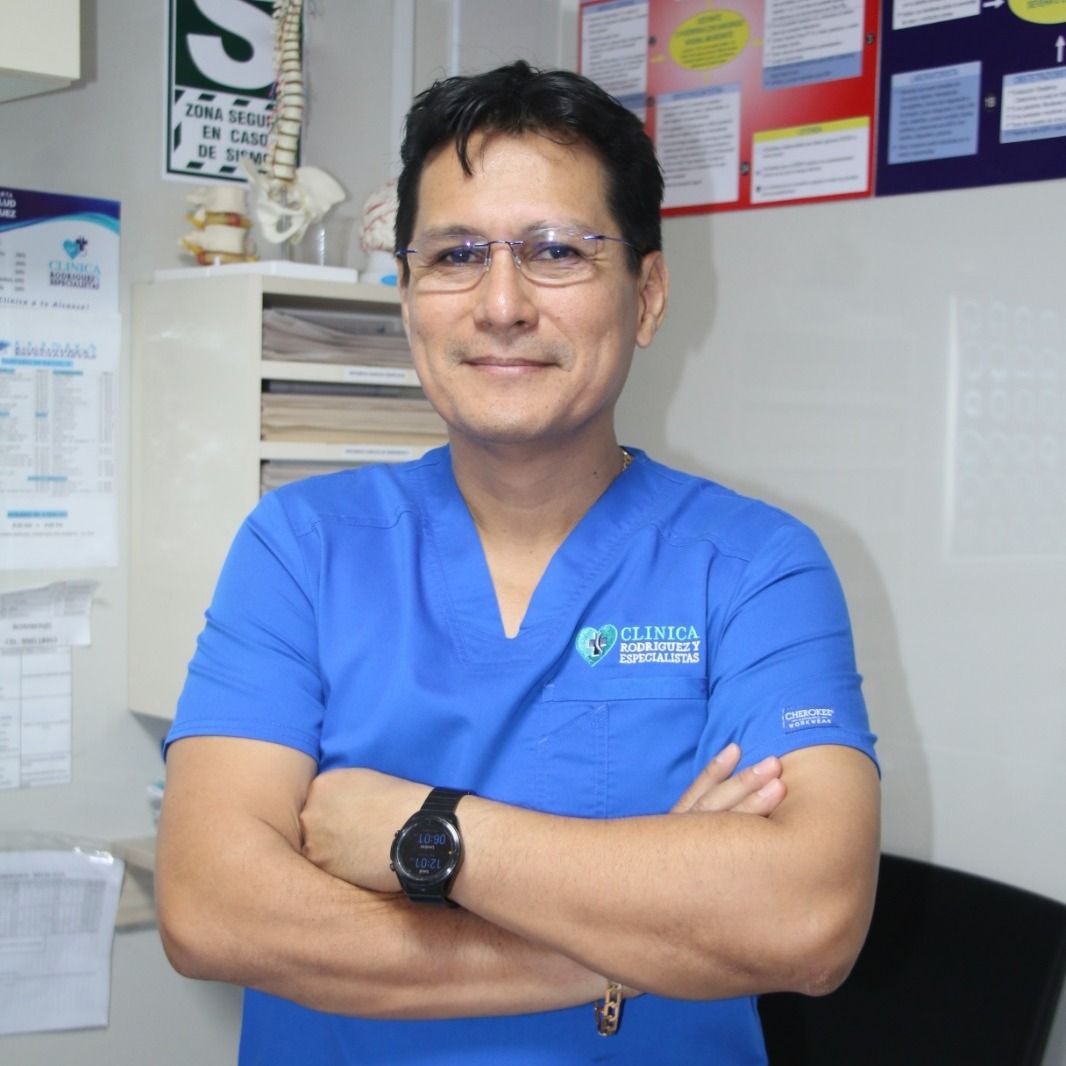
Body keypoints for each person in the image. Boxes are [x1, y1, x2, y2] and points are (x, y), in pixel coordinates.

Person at [156, 61, 880, 1065]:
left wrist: (423, 833)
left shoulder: (754, 568)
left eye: (556, 251)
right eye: (455, 254)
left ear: (647, 295)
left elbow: (807, 920)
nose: (501, 303)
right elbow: (211, 910)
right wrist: (637, 947)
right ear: (407, 293)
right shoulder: (301, 547)